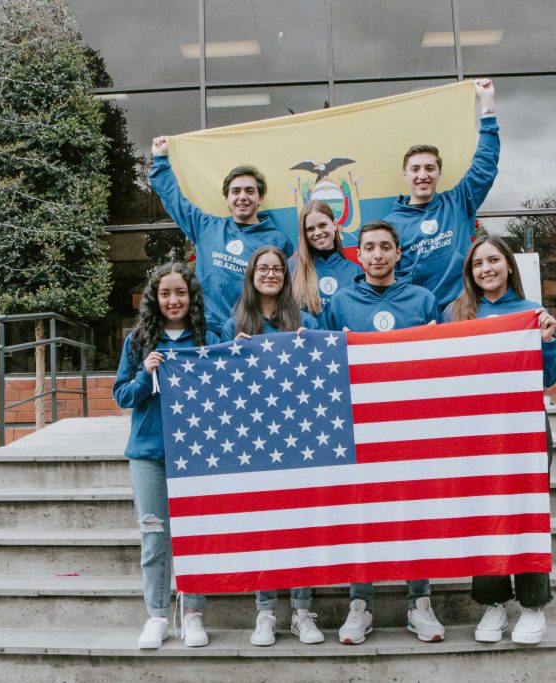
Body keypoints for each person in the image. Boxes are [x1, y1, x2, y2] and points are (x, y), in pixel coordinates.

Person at [321, 219, 444, 644]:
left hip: (411, 425)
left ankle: (419, 601)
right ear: (359, 254)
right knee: (362, 512)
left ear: (397, 253)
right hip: (359, 425)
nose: (376, 255)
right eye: (369, 247)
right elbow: (326, 364)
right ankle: (361, 603)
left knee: (414, 510)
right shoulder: (340, 305)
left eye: (384, 247)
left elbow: (444, 360)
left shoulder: (424, 300)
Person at [446, 234, 556, 645]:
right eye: (478, 264)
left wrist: (546, 342)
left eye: (493, 260)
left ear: (509, 265)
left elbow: (548, 378)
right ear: (470, 273)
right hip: (476, 432)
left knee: (526, 512)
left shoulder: (532, 313)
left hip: (525, 429)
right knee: (485, 515)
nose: (486, 269)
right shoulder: (456, 314)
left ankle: (532, 606)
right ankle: (493, 603)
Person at [220, 245, 323, 646]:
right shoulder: (232, 325)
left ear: (286, 276)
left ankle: (302, 611)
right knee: (265, 528)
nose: (270, 274)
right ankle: (265, 612)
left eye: (277, 268)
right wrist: (234, 355)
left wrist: (308, 346)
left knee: (298, 528)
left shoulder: (304, 321)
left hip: (298, 439)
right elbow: (221, 382)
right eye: (262, 268)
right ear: (251, 274)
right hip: (253, 441)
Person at [112, 262, 215, 650]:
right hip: (148, 454)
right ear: (155, 298)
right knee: (155, 536)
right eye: (166, 293)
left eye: (181, 292)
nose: (174, 300)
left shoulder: (207, 337)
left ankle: (192, 613)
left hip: (196, 455)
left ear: (192, 297)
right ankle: (156, 615)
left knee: (194, 537)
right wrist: (144, 373)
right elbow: (122, 396)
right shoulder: (138, 341)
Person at [150, 135, 294, 337]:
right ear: (226, 198)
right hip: (202, 331)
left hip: (247, 332)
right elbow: (175, 201)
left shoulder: (277, 240)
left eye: (249, 191)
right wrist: (161, 160)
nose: (242, 197)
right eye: (235, 191)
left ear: (260, 198)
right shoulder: (206, 227)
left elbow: (285, 288)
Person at [381, 78, 499, 310]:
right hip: (419, 318)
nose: (422, 175)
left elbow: (485, 165)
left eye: (429, 168)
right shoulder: (389, 225)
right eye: (415, 169)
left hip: (465, 310)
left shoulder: (458, 202)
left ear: (439, 173)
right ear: (405, 175)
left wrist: (487, 105)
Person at [290, 199, 362, 317]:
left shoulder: (355, 271)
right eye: (310, 229)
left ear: (334, 225)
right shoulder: (292, 268)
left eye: (322, 225)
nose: (317, 232)